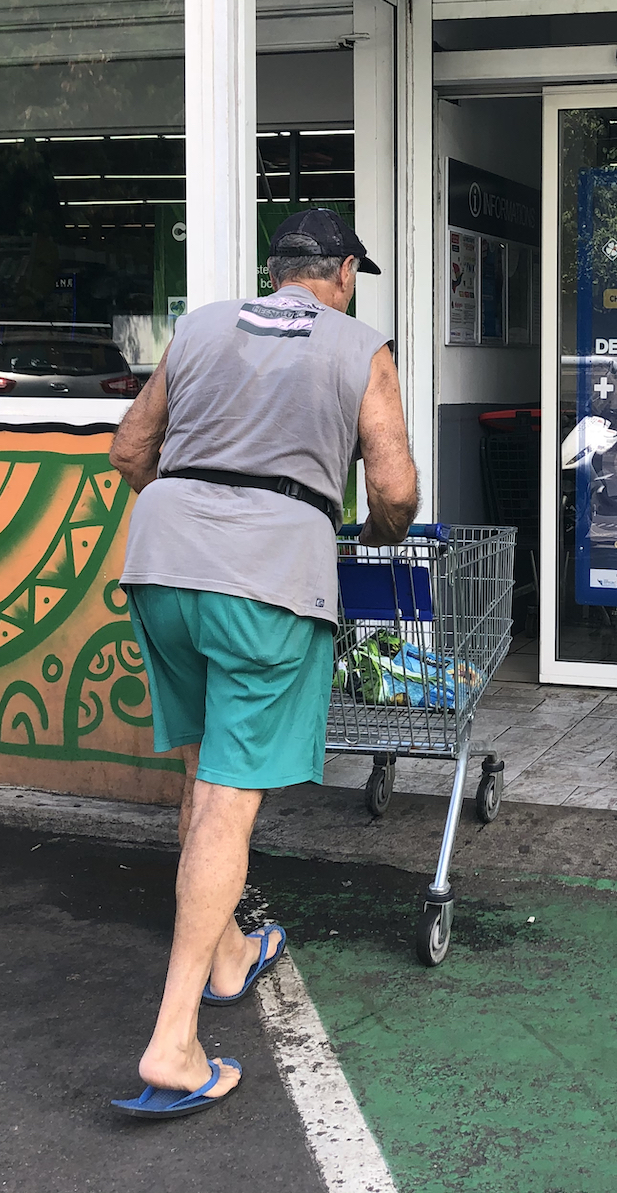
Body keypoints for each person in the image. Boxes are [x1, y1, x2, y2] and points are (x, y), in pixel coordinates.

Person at [105, 207, 419, 1118]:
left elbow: (131, 449)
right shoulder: (362, 347)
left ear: (274, 268)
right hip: (270, 579)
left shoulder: (199, 326)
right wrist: (368, 532)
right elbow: (395, 488)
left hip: (161, 563)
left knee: (206, 772)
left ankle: (233, 954)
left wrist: (189, 513)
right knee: (231, 801)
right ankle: (172, 1042)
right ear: (345, 272)